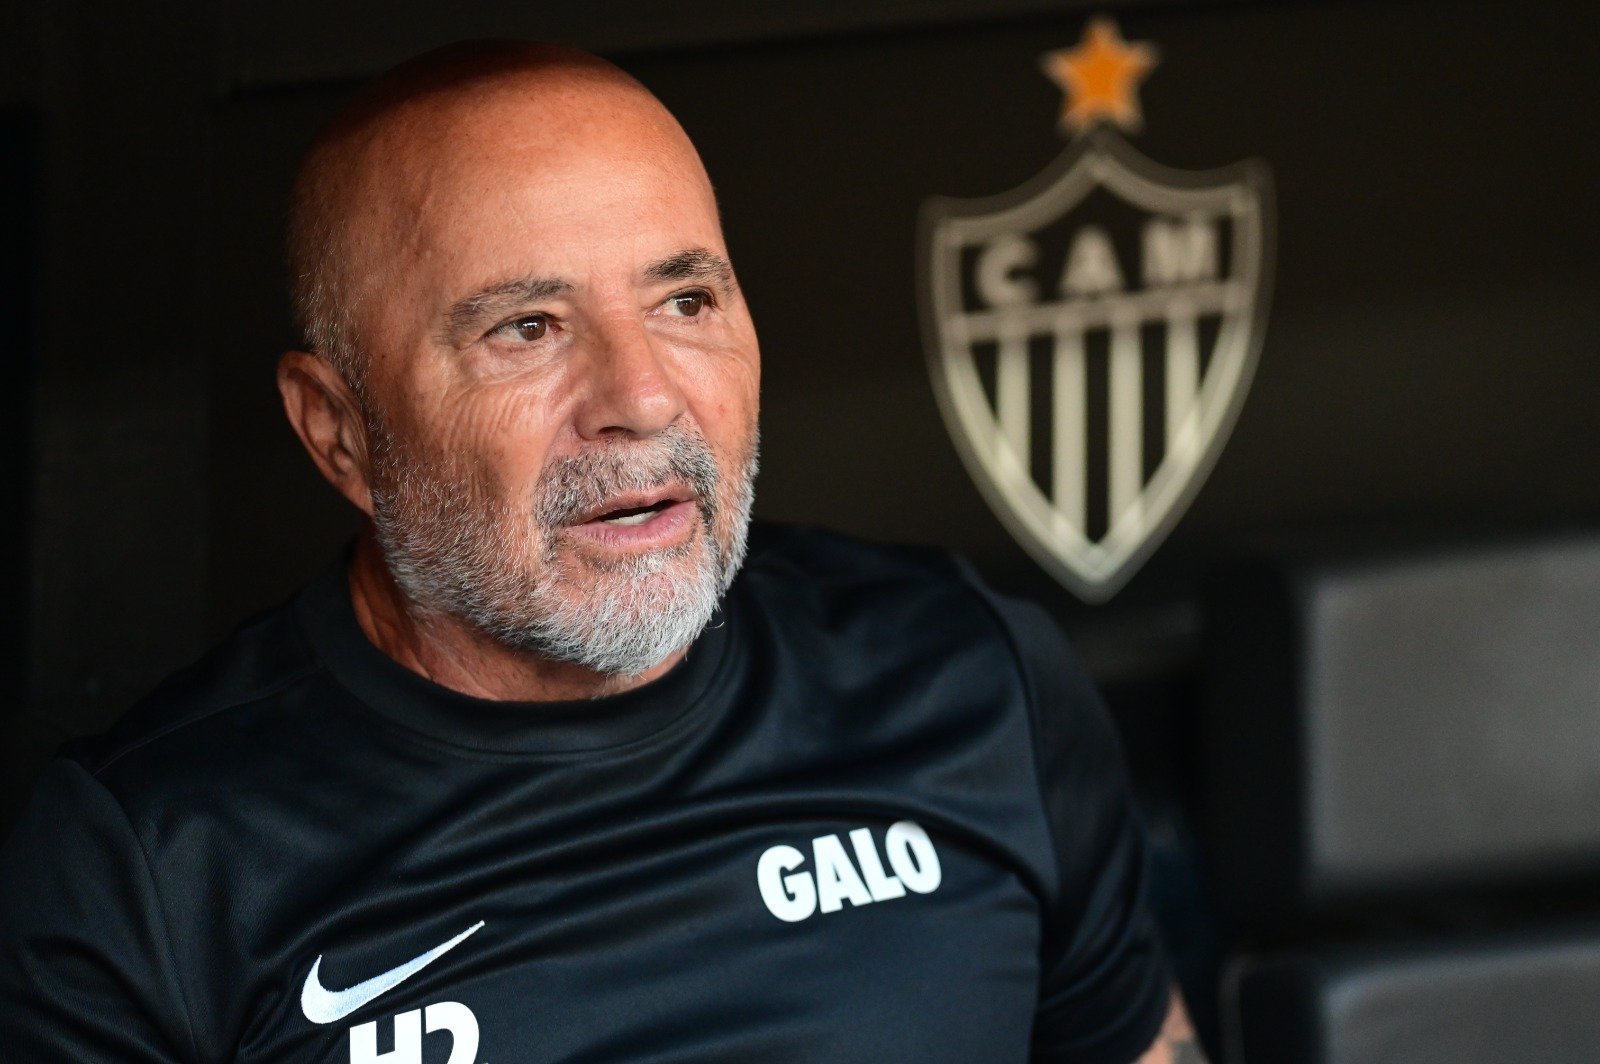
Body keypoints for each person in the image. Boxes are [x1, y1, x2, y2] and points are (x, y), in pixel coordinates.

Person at [0, 41, 1202, 1062]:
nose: (641, 397)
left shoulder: (968, 672)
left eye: (685, 302)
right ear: (339, 432)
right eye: (527, 329)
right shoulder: (146, 868)